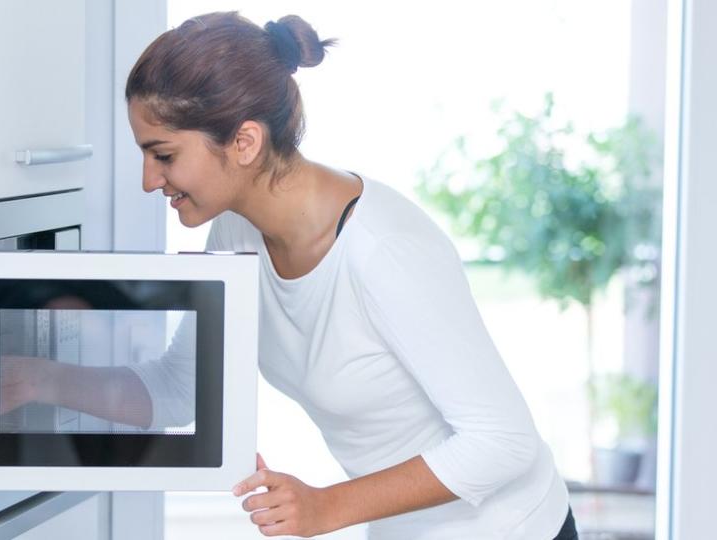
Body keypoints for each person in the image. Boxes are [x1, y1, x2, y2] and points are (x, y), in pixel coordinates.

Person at [123, 11, 579, 540]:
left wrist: (325, 508)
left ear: (245, 142)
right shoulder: (235, 232)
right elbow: (182, 385)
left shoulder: (384, 252)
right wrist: (35, 379)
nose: (148, 180)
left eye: (164, 155)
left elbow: (505, 441)